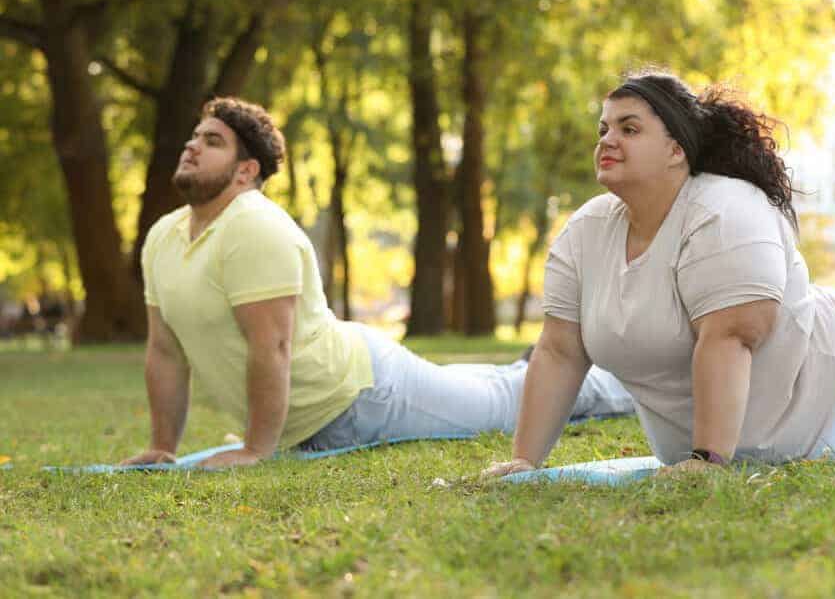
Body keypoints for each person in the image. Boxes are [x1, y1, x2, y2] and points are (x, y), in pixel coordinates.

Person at [483, 70, 835, 479]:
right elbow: (559, 351)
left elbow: (731, 336)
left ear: (676, 150)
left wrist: (707, 460)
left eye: (629, 128)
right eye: (604, 128)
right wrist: (525, 462)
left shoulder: (725, 210)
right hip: (736, 440)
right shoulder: (586, 231)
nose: (607, 140)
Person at [121, 97, 634, 470]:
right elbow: (165, 351)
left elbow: (271, 345)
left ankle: (632, 384)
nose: (192, 146)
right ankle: (525, 367)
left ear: (245, 171)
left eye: (212, 142)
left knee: (505, 402)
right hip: (345, 381)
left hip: (361, 399)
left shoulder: (251, 225)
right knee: (485, 387)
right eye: (194, 137)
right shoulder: (165, 236)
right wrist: (162, 448)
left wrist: (256, 450)